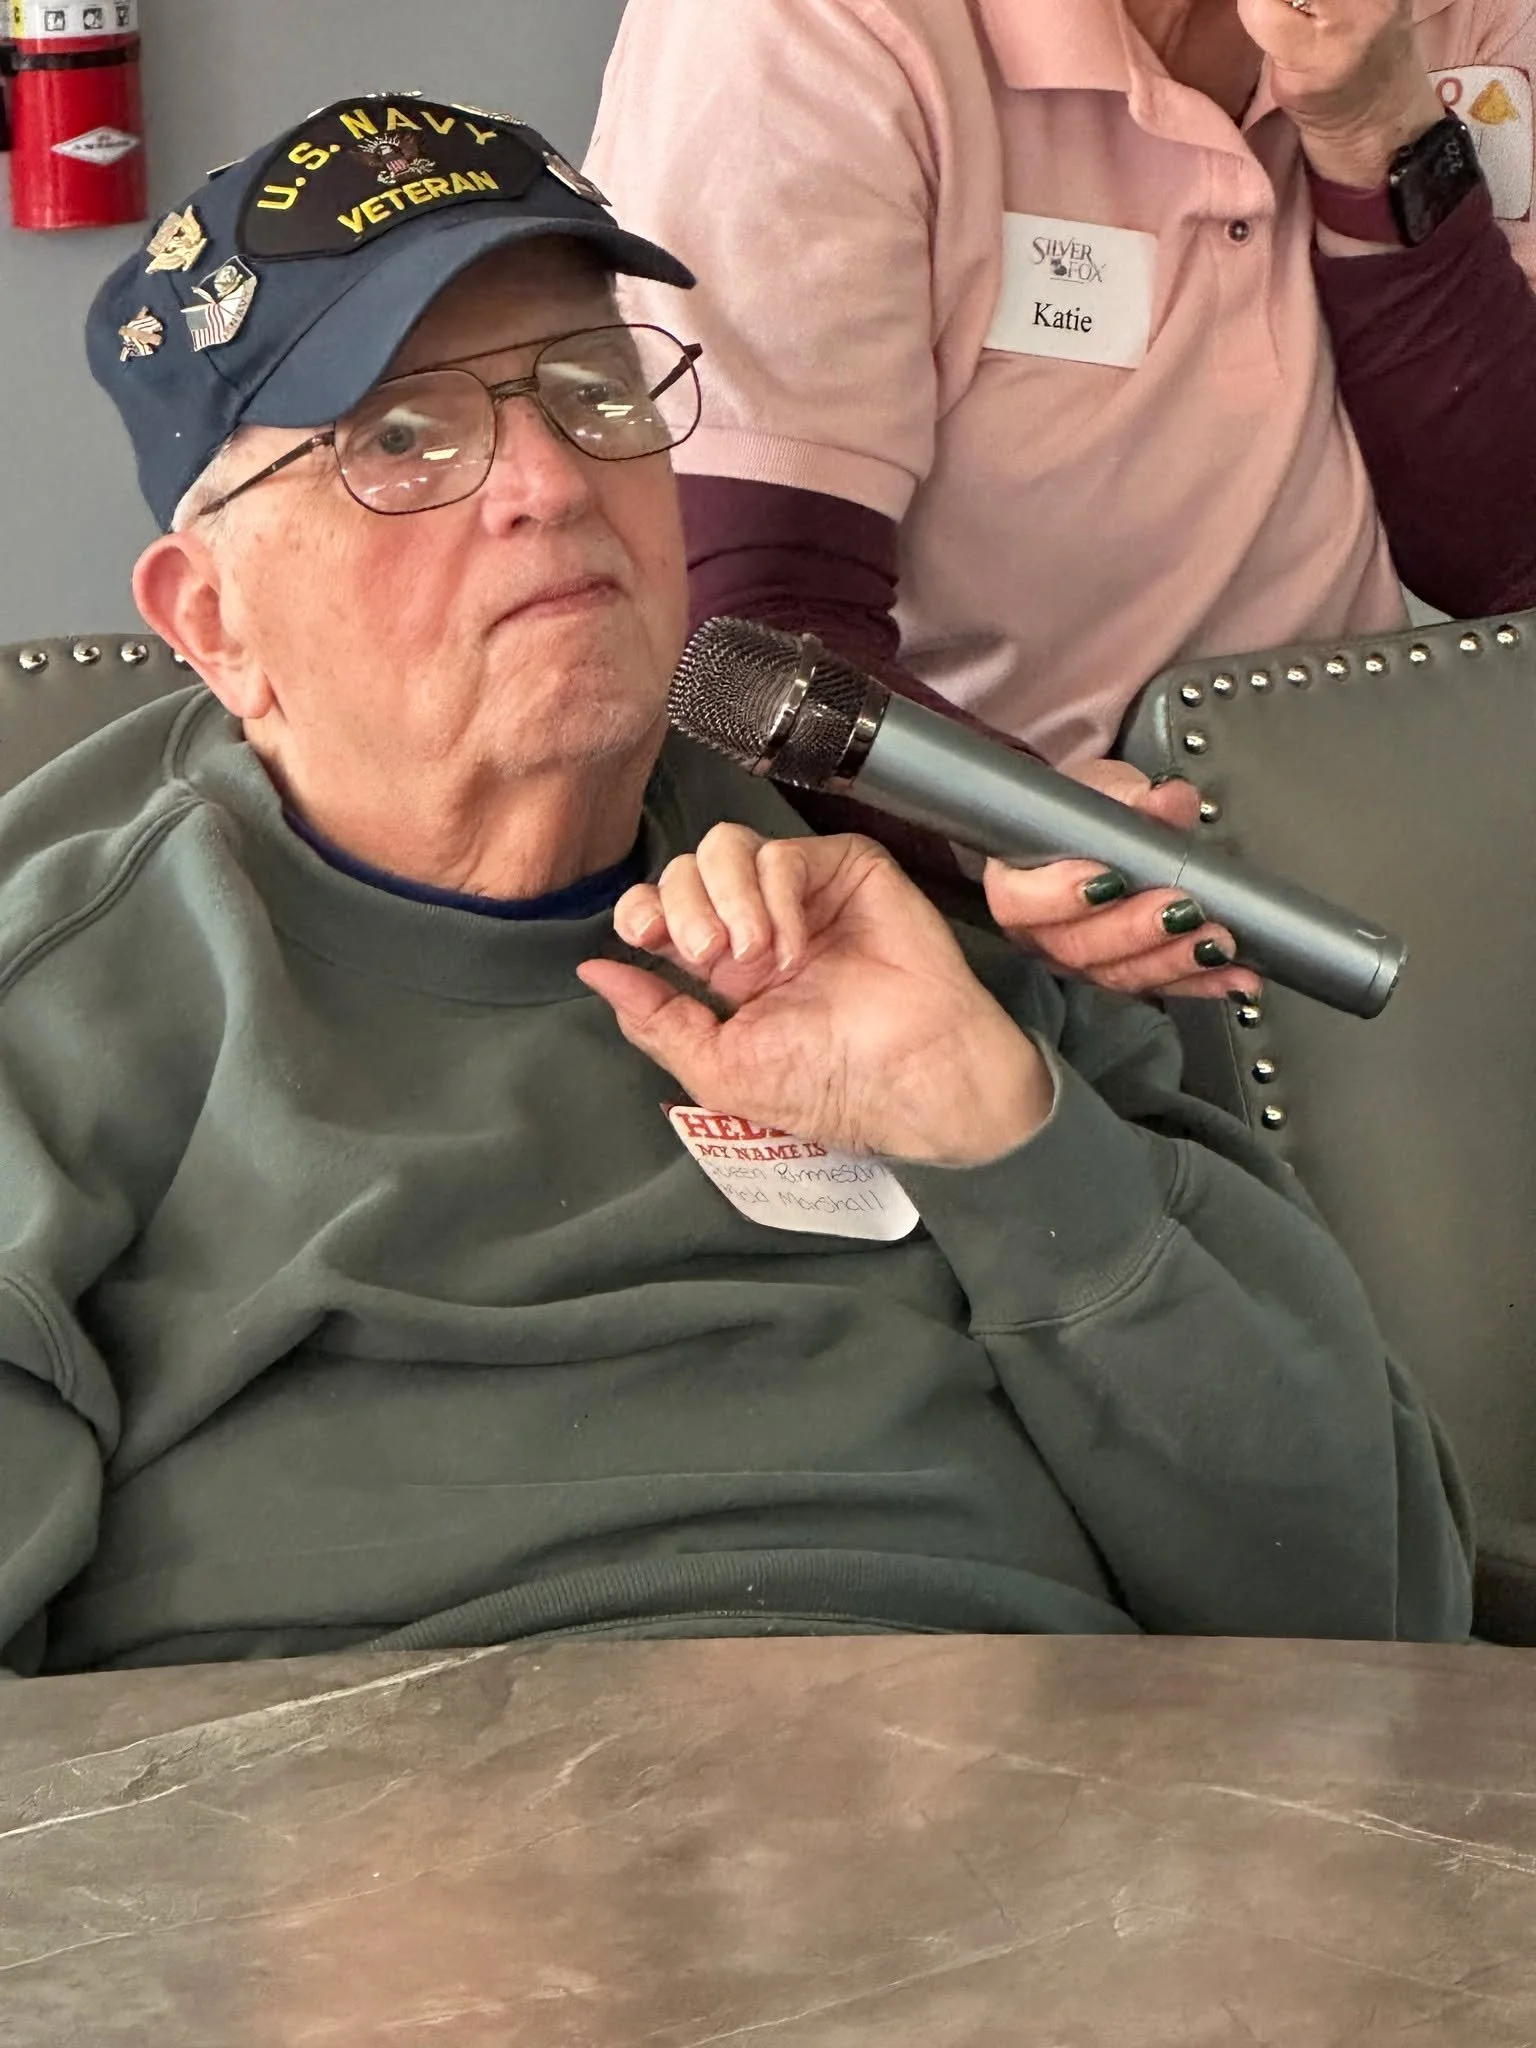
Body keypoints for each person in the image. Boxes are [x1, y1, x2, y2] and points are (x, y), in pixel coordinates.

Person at [0, 95, 1472, 1679]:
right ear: (214, 620)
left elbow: (1373, 1612)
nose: (551, 483)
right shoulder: (69, 1020)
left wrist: (1009, 1143)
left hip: (1059, 1841)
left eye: (594, 389)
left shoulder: (920, 927)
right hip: (376, 1854)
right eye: (403, 439)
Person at [586, 0, 1536, 782]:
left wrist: (1376, 127)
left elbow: (1505, 554)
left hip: (1363, 826)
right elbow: (746, 645)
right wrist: (1032, 837)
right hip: (945, 890)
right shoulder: (791, 27)